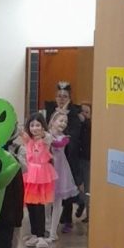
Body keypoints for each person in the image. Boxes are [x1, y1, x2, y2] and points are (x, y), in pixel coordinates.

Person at [43, 81, 83, 232]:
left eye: (64, 96)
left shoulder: (73, 114)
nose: (61, 99)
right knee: (50, 192)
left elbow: (74, 135)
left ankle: (67, 219)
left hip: (68, 156)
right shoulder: (50, 111)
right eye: (59, 96)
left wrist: (62, 138)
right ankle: (48, 223)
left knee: (64, 188)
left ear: (69, 98)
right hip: (50, 158)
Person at [17, 112, 56, 248]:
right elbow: (19, 132)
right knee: (31, 205)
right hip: (29, 176)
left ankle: (41, 235)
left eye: (38, 125)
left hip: (41, 175)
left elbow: (48, 137)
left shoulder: (46, 139)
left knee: (39, 205)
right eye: (32, 125)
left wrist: (42, 134)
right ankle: (34, 233)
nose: (35, 128)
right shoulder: (27, 140)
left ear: (43, 126)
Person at [47, 112, 79, 243]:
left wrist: (47, 138)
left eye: (65, 122)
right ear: (53, 121)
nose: (63, 123)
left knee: (57, 201)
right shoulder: (46, 135)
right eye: (60, 120)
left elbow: (57, 144)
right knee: (46, 202)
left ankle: (53, 232)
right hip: (47, 170)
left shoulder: (64, 138)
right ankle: (46, 227)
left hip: (60, 171)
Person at [75, 102, 91, 224]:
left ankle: (89, 213)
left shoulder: (90, 126)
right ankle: (81, 203)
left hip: (87, 159)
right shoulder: (76, 125)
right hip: (76, 159)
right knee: (77, 185)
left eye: (87, 112)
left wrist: (85, 122)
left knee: (87, 187)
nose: (84, 114)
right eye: (82, 112)